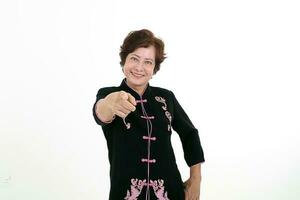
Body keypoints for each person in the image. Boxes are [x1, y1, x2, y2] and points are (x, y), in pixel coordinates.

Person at [93, 29, 205, 200]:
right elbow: (101, 112)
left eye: (148, 62)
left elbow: (189, 134)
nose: (139, 67)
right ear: (124, 61)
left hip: (170, 192)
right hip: (125, 193)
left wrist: (196, 179)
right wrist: (110, 103)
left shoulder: (166, 97)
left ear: (154, 69)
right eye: (134, 59)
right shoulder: (109, 93)